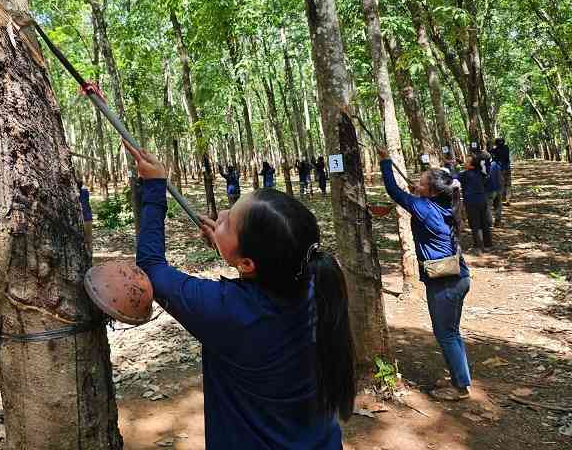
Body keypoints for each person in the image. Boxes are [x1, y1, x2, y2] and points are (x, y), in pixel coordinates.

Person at [124, 141, 355, 449]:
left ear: (249, 263)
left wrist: (153, 189)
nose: (220, 214)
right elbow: (262, 284)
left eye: (228, 222)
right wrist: (230, 251)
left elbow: (151, 267)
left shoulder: (225, 310)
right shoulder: (314, 281)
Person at [379, 148, 472, 401]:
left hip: (446, 283)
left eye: (420, 182)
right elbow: (413, 194)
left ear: (430, 191)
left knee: (447, 333)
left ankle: (460, 387)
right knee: (452, 331)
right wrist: (418, 190)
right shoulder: (443, 204)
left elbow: (394, 191)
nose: (415, 184)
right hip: (459, 277)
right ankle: (458, 377)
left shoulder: (425, 208)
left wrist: (386, 162)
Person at [458, 153, 493, 250]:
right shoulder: (480, 173)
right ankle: (488, 244)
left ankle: (478, 245)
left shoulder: (464, 175)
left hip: (471, 202)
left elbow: (452, 178)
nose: (464, 162)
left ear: (471, 165)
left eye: (467, 161)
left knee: (475, 224)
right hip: (482, 200)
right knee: (484, 222)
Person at [491, 138, 512, 205]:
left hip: (500, 169)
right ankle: (507, 199)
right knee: (508, 183)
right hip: (507, 168)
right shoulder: (506, 148)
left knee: (501, 183)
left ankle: (502, 199)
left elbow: (493, 158)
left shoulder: (495, 150)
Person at [485, 157, 503, 227]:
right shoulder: (496, 165)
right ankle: (498, 221)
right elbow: (501, 177)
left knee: (488, 207)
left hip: (489, 190)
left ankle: (490, 223)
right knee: (498, 205)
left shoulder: (485, 167)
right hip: (498, 188)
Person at [78, 179, 94, 253]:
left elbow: (83, 206)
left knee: (86, 240)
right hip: (88, 218)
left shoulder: (79, 194)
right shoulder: (85, 192)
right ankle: (90, 255)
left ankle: (89, 256)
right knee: (89, 240)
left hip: (84, 219)